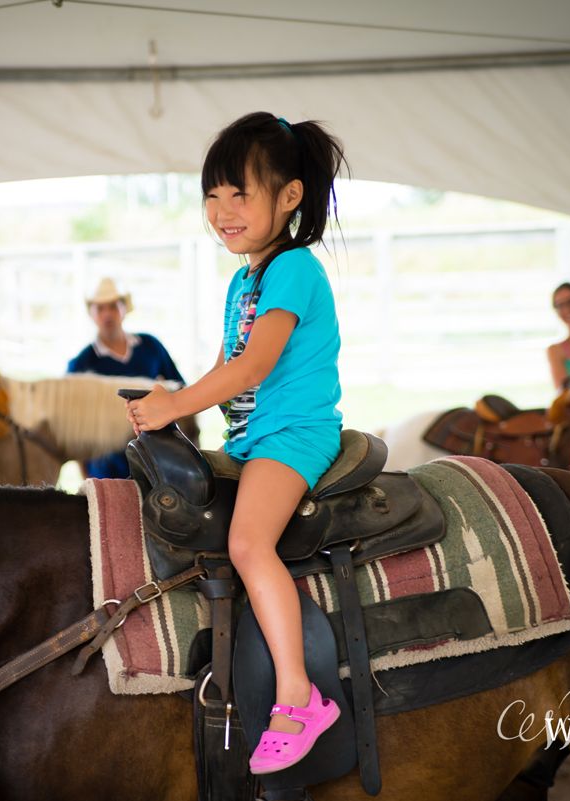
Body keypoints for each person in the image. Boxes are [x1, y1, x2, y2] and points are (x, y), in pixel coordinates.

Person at [126, 112, 346, 775]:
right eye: (213, 196)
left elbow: (252, 368)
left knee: (249, 542)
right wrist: (174, 412)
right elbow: (224, 370)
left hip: (294, 434)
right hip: (253, 436)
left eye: (240, 194)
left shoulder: (293, 270)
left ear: (289, 196)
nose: (223, 211)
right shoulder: (243, 279)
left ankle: (299, 695)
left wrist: (173, 402)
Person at [66, 277, 185, 479]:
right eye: (100, 308)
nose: (107, 314)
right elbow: (75, 426)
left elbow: (179, 389)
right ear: (91, 313)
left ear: (124, 308)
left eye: (113, 306)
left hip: (157, 458)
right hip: (106, 465)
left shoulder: (151, 346)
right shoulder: (81, 364)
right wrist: (86, 476)